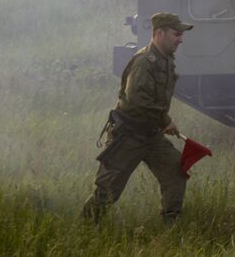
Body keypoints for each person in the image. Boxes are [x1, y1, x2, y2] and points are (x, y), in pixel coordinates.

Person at [82, 12, 193, 223]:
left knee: (176, 170)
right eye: (176, 34)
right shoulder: (144, 62)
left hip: (151, 135)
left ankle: (171, 224)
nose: (181, 39)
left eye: (181, 35)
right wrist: (165, 121)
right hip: (128, 135)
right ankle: (86, 227)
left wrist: (160, 123)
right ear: (159, 33)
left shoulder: (166, 60)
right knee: (108, 189)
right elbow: (137, 100)